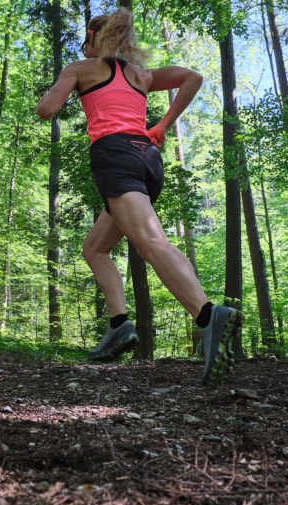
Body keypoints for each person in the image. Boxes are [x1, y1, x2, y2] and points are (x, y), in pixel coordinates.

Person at [36, 8, 243, 386]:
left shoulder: (82, 68)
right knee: (95, 248)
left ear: (94, 39)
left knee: (150, 242)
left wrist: (61, 87)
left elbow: (46, 109)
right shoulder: (141, 75)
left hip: (114, 157)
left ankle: (208, 314)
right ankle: (119, 325)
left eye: (85, 41)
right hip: (147, 160)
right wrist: (162, 125)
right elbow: (192, 78)